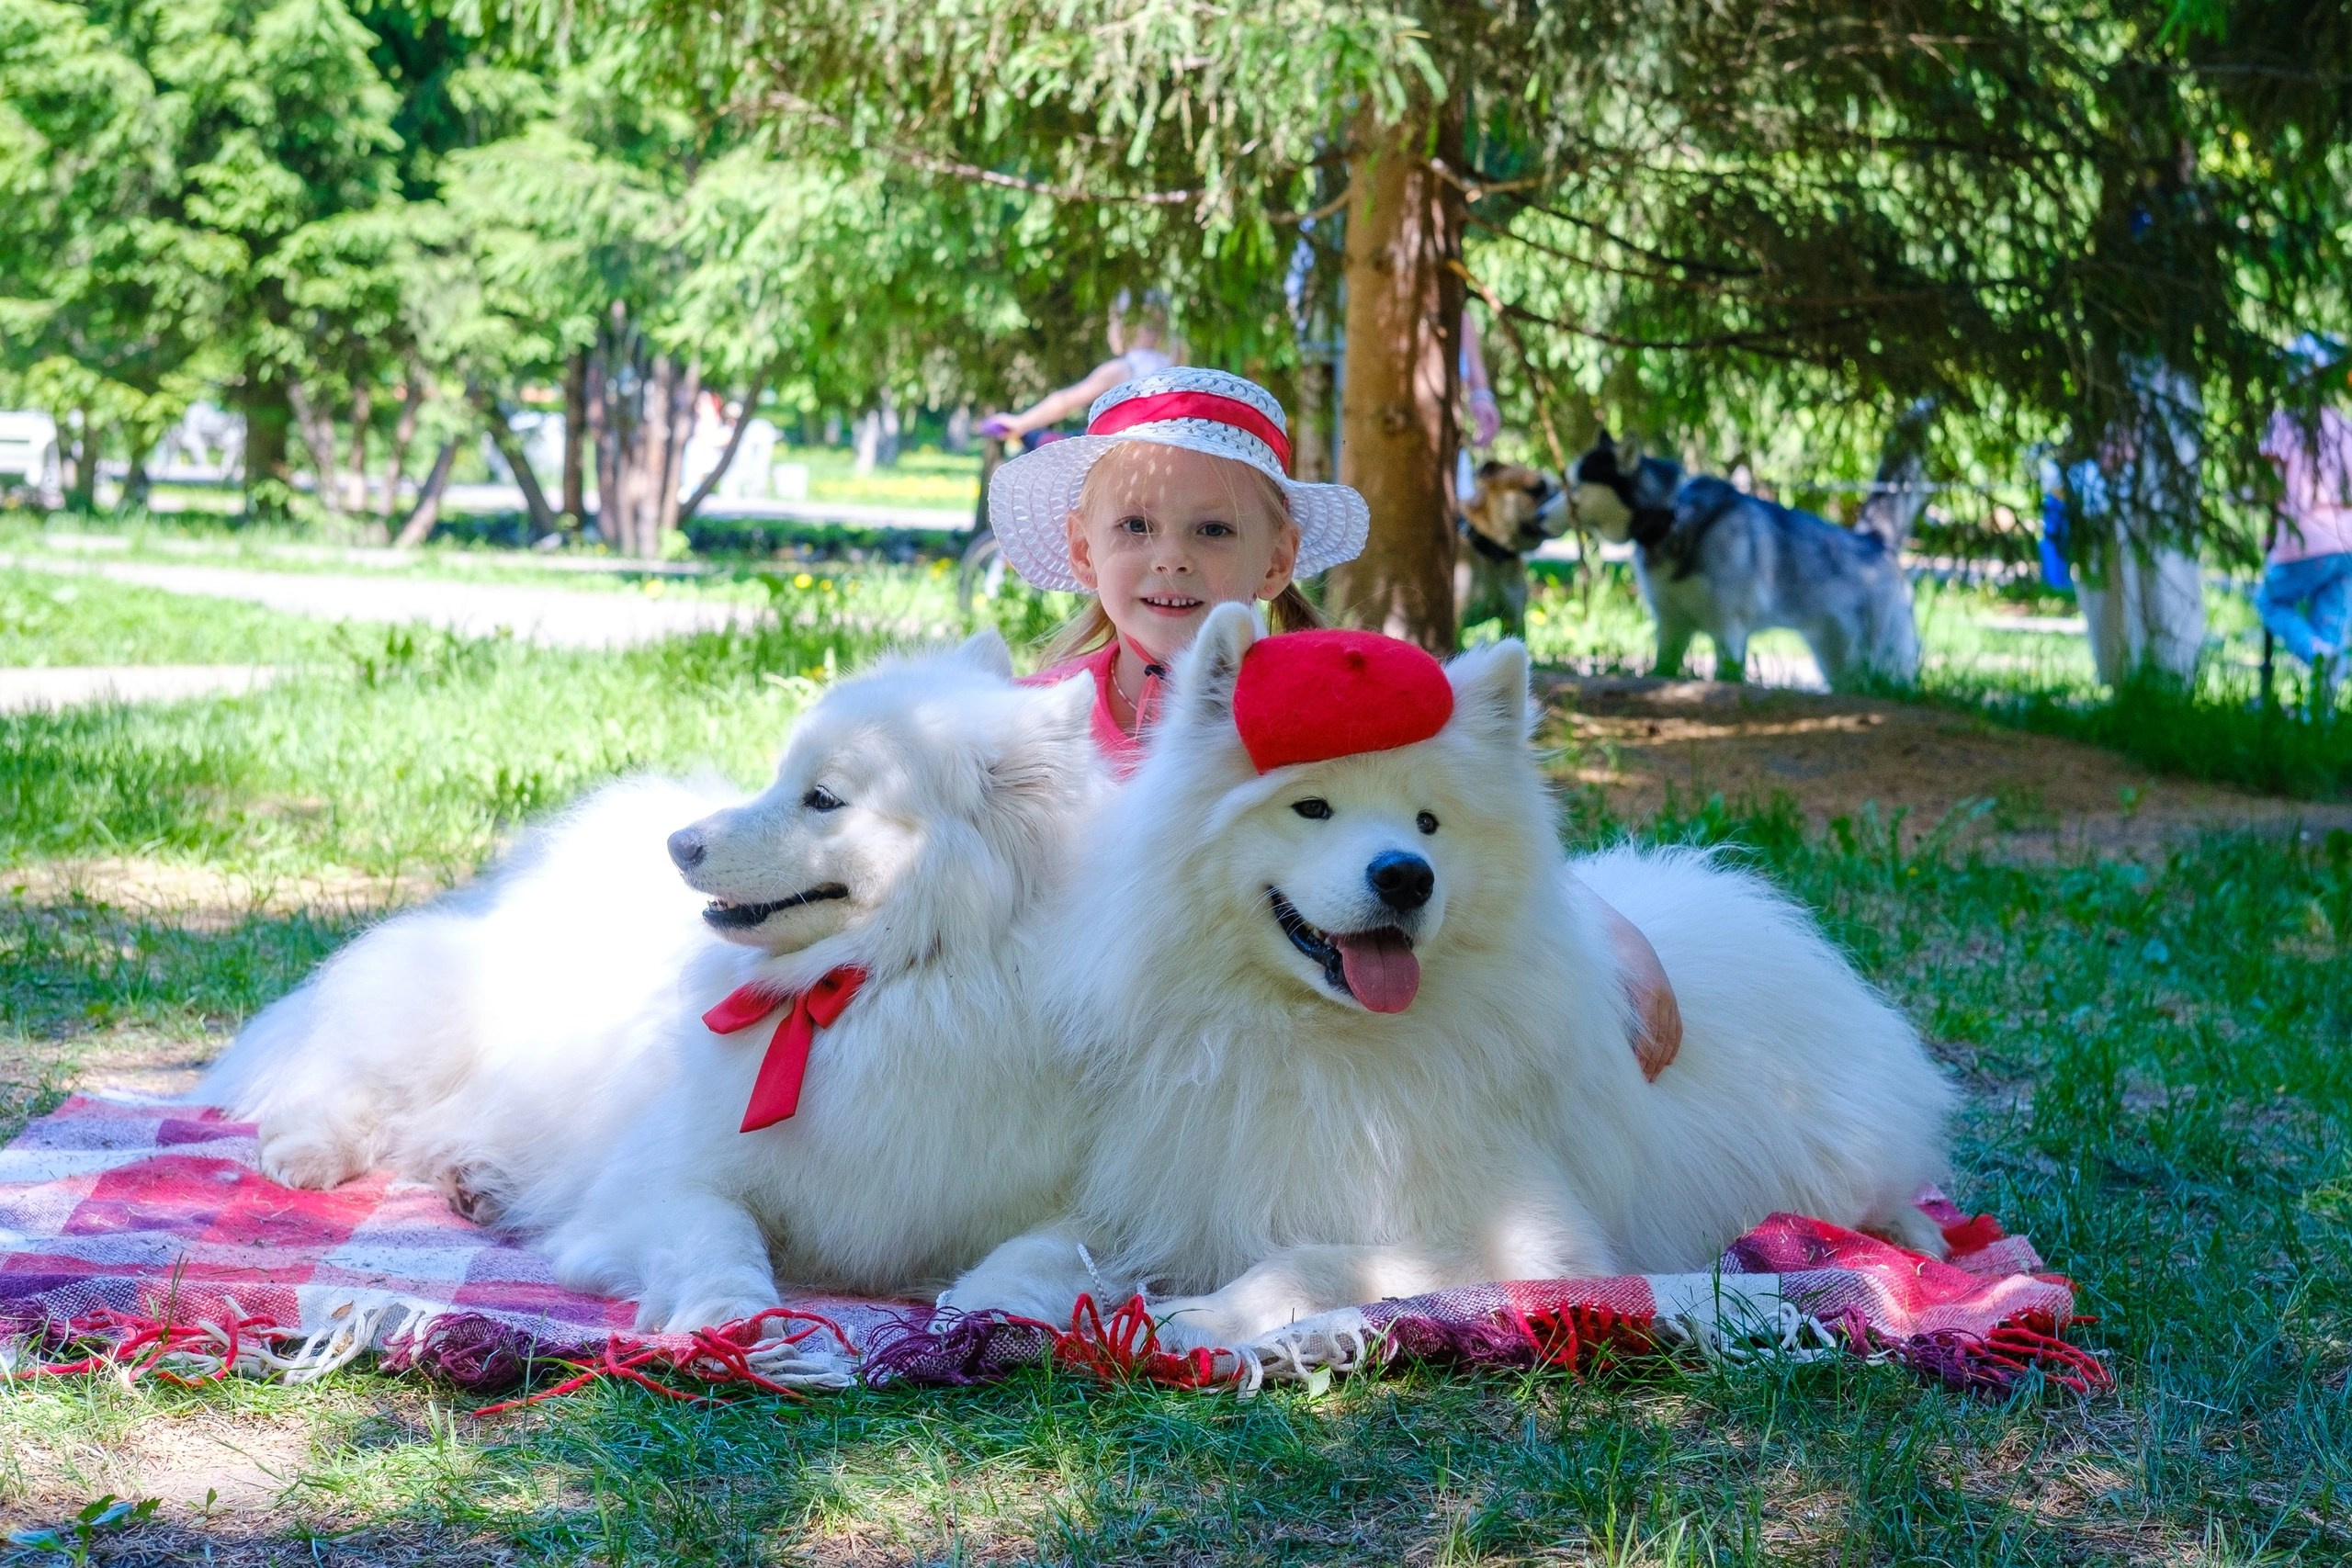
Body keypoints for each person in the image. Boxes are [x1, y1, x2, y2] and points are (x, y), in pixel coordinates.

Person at [986, 366, 1683, 1077]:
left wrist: (1613, 931)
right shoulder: (1033, 720)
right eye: (1135, 525)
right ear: (1082, 547)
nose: (1171, 557)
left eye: (1214, 529)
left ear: (1278, 558)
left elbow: (1462, 819)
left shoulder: (1335, 705)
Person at [981, 290, 1179, 446]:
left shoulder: (1123, 369)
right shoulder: (1173, 365)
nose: (1109, 330)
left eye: (1112, 321)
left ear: (1128, 327)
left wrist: (1021, 423)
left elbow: (1065, 402)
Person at [2256, 394, 2352, 694]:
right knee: (2329, 628)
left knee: (2269, 600)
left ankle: (2318, 656)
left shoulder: (2286, 421)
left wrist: (2271, 531)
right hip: (2347, 540)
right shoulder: (2346, 427)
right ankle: (2320, 727)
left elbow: (2270, 485)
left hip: (2305, 536)